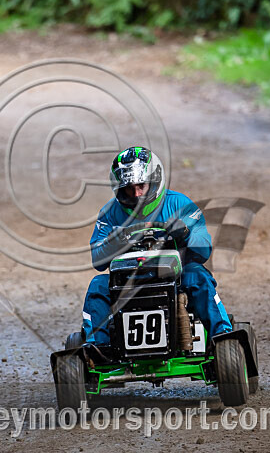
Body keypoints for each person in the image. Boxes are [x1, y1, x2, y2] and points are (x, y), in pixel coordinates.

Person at [81, 146, 232, 347]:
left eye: (141, 186)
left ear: (154, 180)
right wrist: (115, 241)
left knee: (198, 275)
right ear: (119, 188)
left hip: (175, 278)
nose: (136, 195)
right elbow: (97, 260)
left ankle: (222, 336)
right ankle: (98, 348)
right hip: (127, 281)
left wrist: (185, 233)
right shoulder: (109, 213)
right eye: (129, 188)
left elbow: (204, 250)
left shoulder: (178, 204)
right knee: (98, 285)